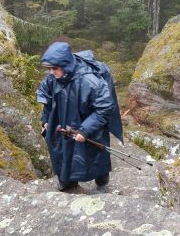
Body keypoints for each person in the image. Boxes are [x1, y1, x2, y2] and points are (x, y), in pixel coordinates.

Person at [36, 42, 123, 192]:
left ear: (65, 64)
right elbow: (47, 100)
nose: (51, 72)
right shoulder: (53, 78)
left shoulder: (90, 81)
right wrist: (45, 120)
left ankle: (102, 183)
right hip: (62, 123)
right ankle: (67, 181)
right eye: (49, 68)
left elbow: (104, 107)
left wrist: (85, 130)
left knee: (94, 152)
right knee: (62, 151)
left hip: (89, 123)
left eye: (54, 68)